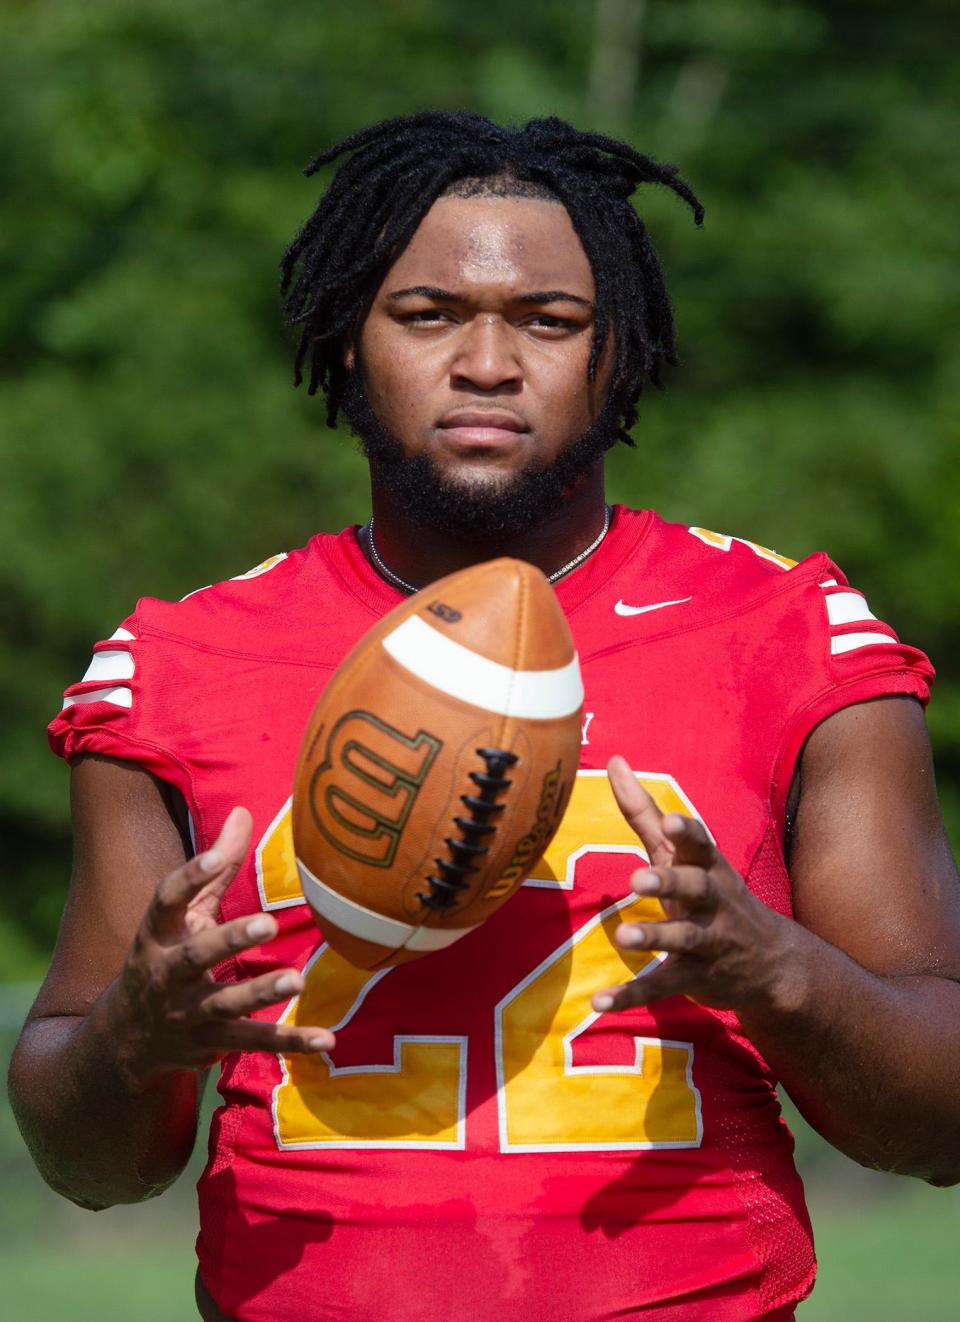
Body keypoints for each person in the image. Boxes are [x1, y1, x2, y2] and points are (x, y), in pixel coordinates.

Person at [9, 111, 960, 1322]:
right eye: (428, 314)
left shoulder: (785, 629)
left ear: (618, 355)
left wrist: (784, 972)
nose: (488, 362)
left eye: (548, 321)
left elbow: (942, 1122)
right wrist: (134, 1036)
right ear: (348, 342)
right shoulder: (184, 657)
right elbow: (90, 1162)